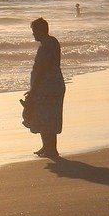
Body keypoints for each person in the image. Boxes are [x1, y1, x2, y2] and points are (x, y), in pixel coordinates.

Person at [22, 17, 65, 159]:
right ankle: (48, 147)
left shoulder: (46, 45)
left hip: (47, 86)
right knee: (49, 117)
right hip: (54, 84)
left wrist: (33, 90)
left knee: (44, 116)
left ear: (41, 30)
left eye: (34, 31)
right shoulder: (53, 41)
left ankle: (50, 149)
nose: (33, 34)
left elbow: (42, 69)